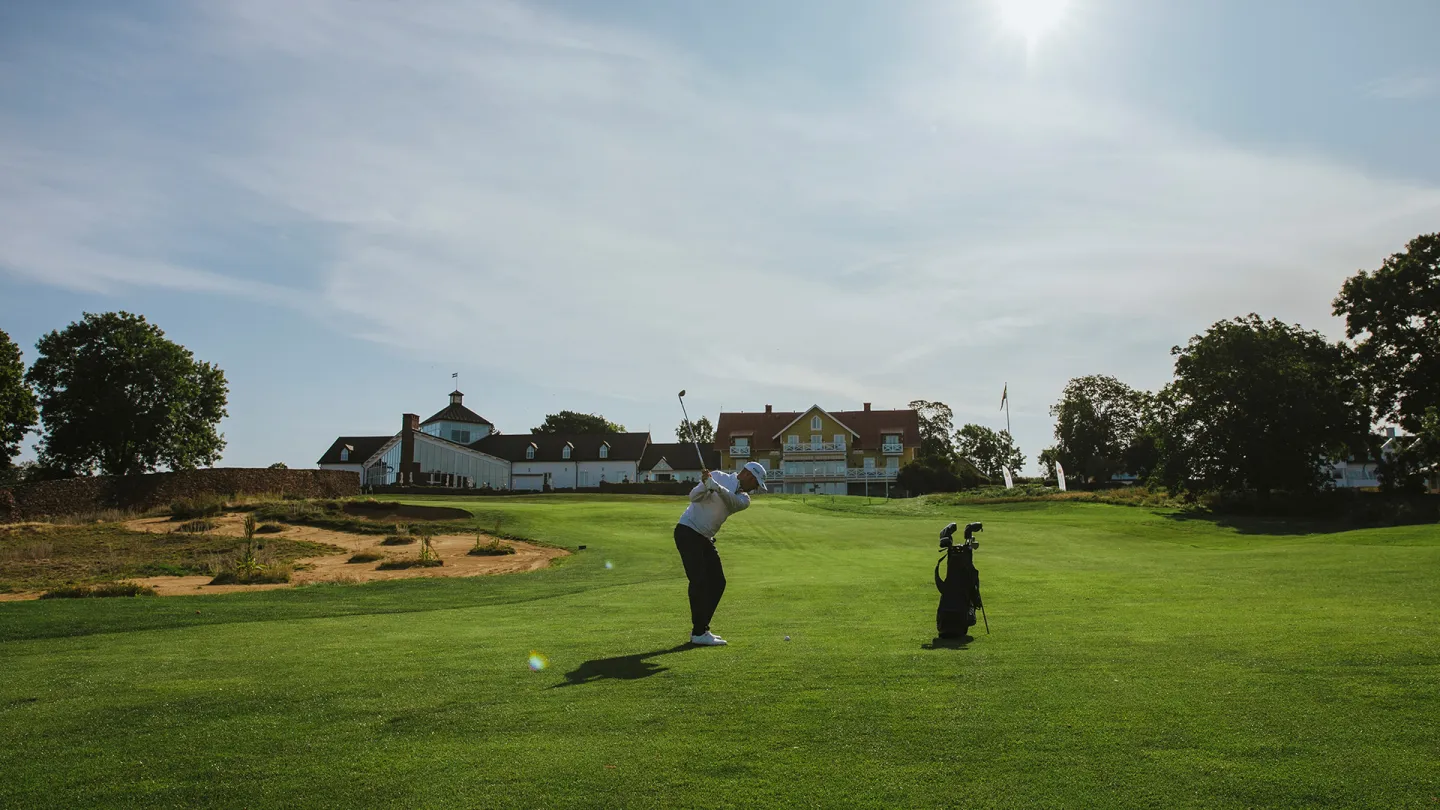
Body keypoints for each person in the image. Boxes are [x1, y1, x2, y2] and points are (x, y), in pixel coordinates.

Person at [673, 460, 767, 646]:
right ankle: (699, 632)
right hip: (688, 531)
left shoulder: (744, 499)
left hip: (704, 538)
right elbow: (693, 496)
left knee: (718, 582)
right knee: (699, 580)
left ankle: (701, 629)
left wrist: (715, 488)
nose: (755, 488)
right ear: (748, 475)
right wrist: (705, 487)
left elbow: (730, 501)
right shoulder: (716, 476)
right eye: (756, 483)